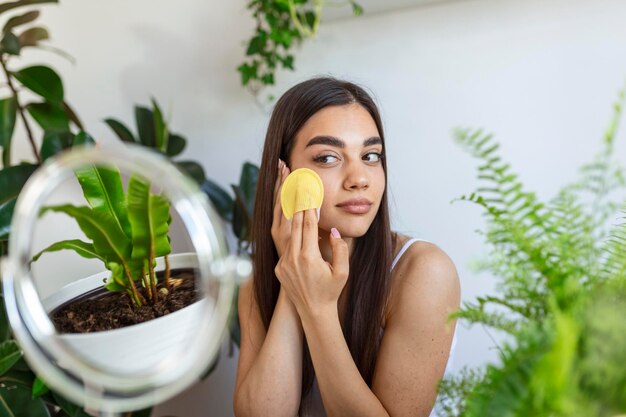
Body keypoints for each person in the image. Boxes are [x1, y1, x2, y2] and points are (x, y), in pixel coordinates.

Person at [233, 76, 460, 417]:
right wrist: (293, 281)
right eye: (327, 158)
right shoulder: (258, 283)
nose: (360, 178)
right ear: (285, 175)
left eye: (371, 155)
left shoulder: (424, 272)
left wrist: (318, 309)